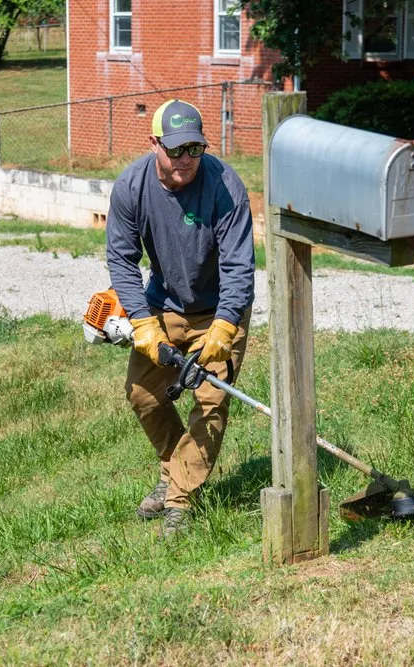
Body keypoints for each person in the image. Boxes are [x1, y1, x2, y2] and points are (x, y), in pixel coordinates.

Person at [106, 99, 255, 537]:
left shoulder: (225, 183)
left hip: (220, 309)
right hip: (163, 306)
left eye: (195, 149)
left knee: (210, 404)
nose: (186, 160)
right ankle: (178, 472)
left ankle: (179, 501)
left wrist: (226, 324)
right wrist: (143, 322)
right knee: (144, 396)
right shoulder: (131, 186)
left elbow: (239, 265)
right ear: (154, 143)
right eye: (176, 150)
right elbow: (121, 258)